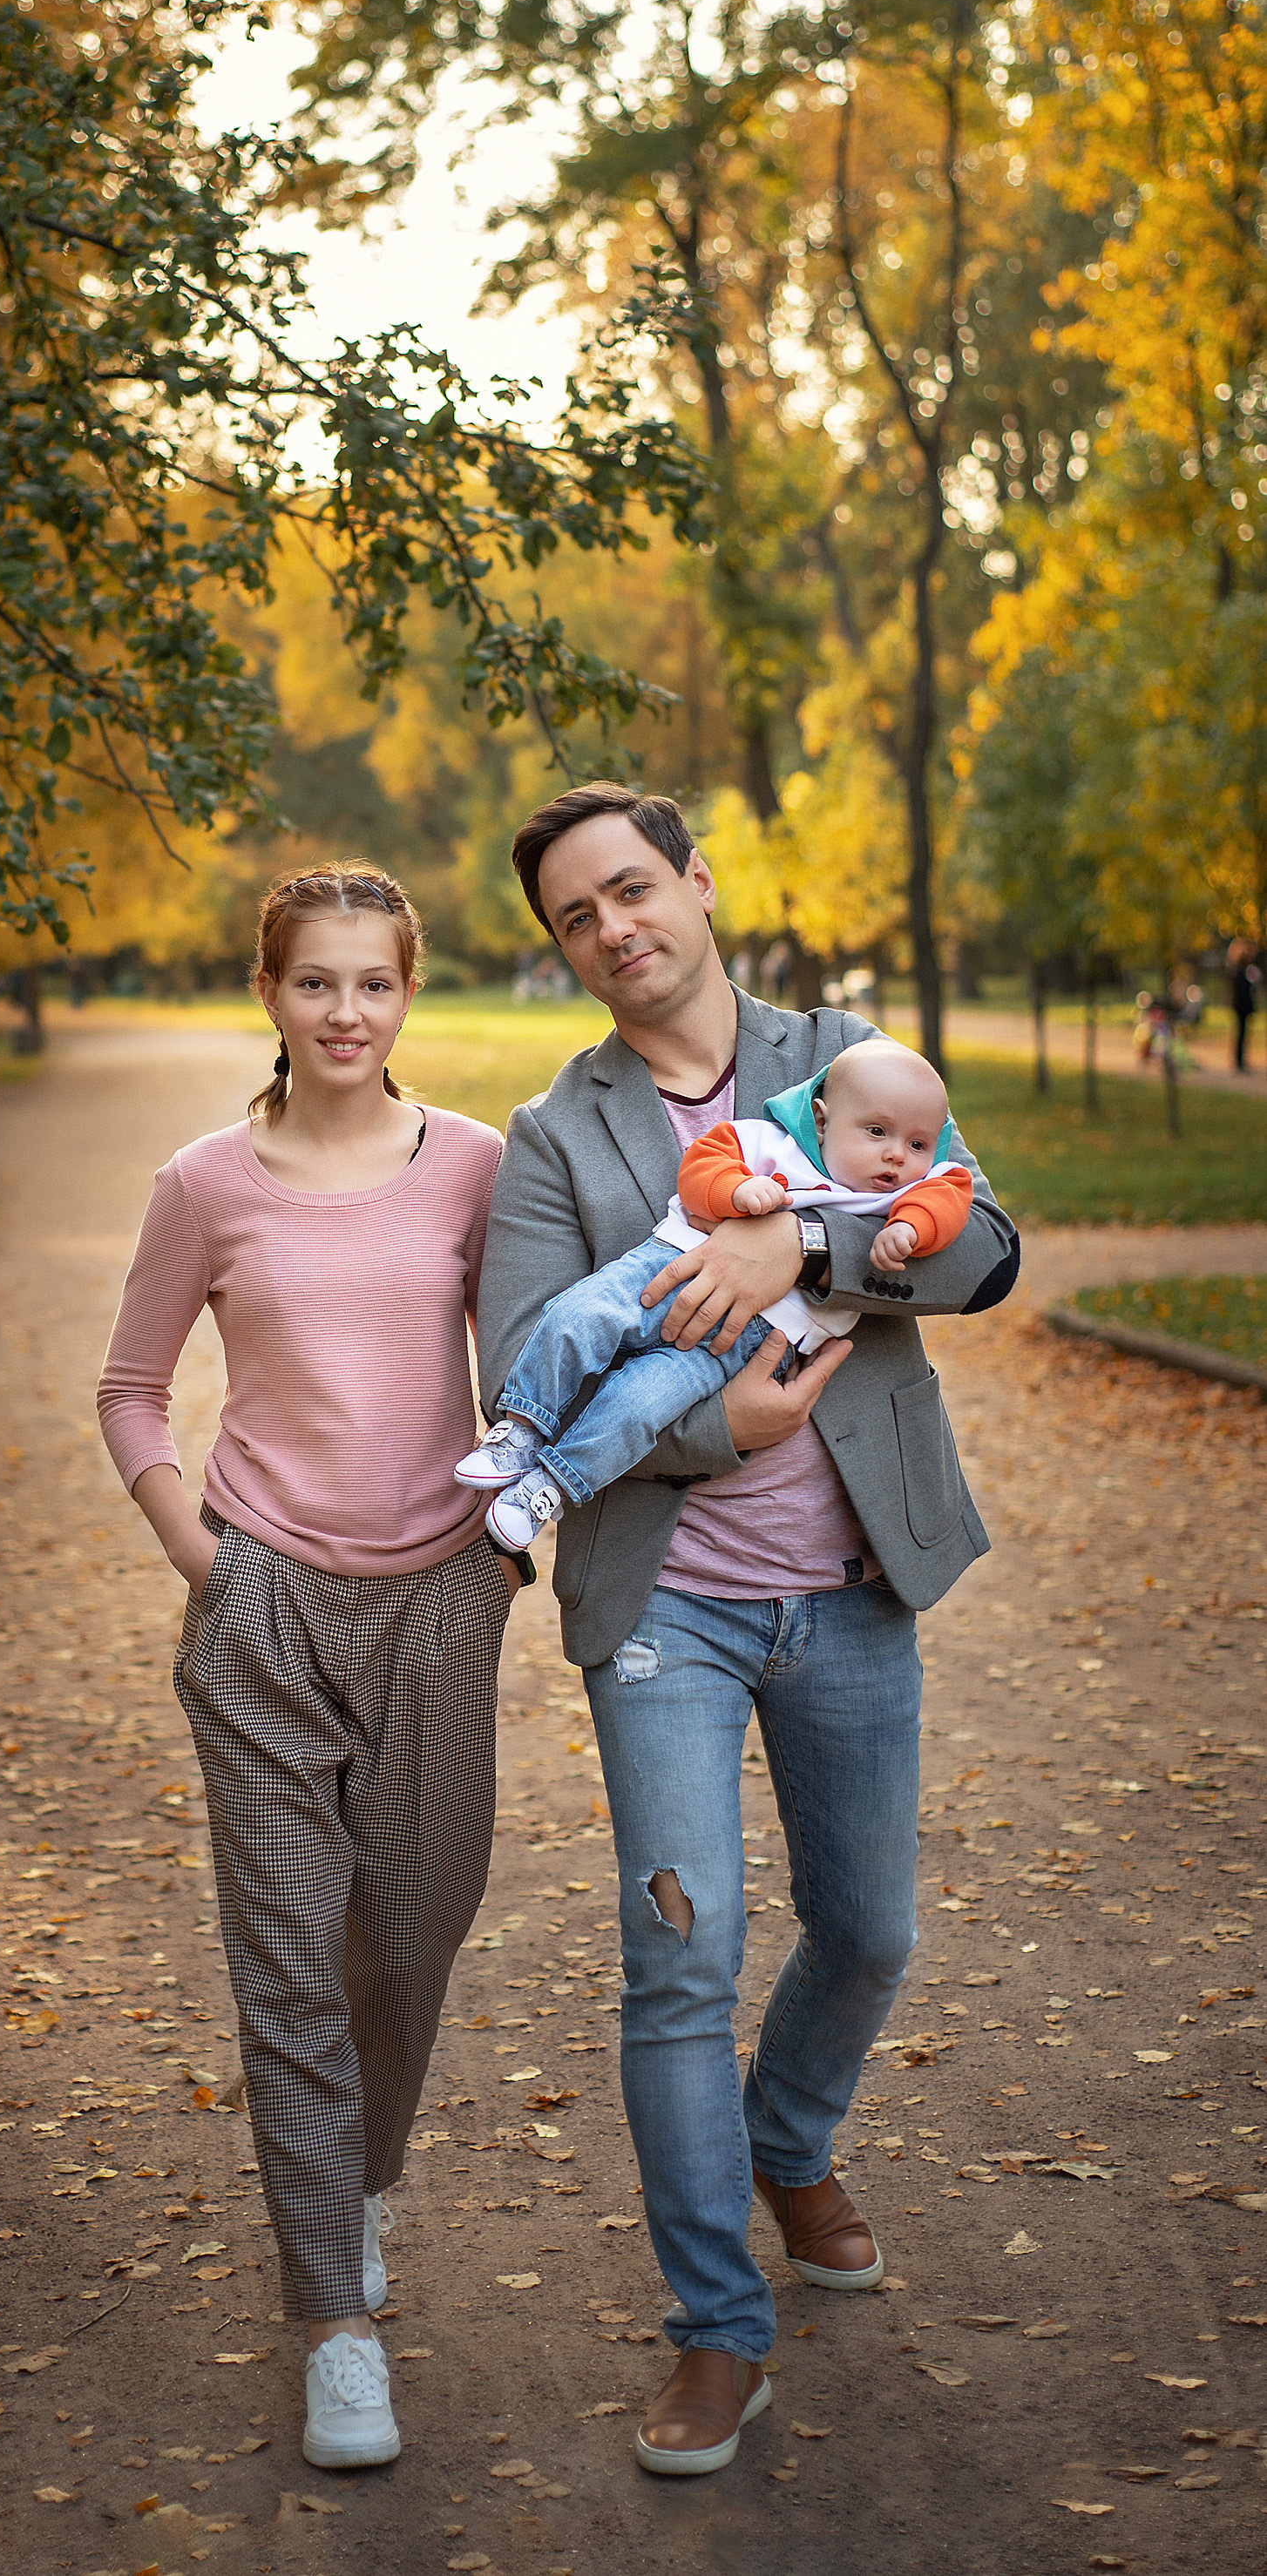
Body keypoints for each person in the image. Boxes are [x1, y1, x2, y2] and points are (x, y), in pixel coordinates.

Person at [476, 783, 1018, 2481]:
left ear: (697, 882)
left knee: (866, 1932)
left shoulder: (844, 1053)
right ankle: (717, 2331)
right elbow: (527, 1362)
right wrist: (733, 1429)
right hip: (667, 1611)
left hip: (856, 1585)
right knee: (679, 1962)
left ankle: (790, 2137)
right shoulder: (556, 1135)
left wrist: (804, 1235)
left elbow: (984, 1251)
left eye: (634, 886)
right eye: (578, 914)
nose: (615, 926)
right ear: (564, 947)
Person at [96, 864, 518, 2474]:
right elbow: (132, 1392)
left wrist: (503, 1545)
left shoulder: (472, 1167)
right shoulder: (204, 1185)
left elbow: (534, 1364)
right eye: (313, 983)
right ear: (265, 994)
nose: (345, 1012)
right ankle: (333, 2320)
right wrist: (205, 1563)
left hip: (436, 1605)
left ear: (407, 995)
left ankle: (355, 2185)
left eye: (374, 984)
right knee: (287, 1966)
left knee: (405, 1949)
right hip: (261, 1611)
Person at [459, 1039, 972, 1552]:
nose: (896, 1154)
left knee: (641, 1403)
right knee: (581, 1316)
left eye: (919, 1144)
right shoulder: (774, 1144)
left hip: (741, 1343)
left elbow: (953, 1204)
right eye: (877, 1132)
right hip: (669, 1267)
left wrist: (911, 1228)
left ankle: (548, 1487)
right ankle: (522, 1429)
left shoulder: (908, 1187)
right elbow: (702, 1166)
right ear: (822, 1118)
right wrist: (736, 1191)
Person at [1230, 937, 1262, 1073]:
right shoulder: (1240, 973)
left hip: (1243, 1007)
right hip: (1242, 1007)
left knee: (1243, 1034)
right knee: (1241, 1033)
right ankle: (1239, 1061)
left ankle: (1241, 1060)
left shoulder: (1245, 972)